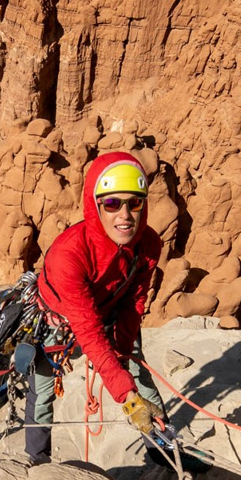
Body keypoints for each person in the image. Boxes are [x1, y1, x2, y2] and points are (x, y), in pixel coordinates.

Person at [24, 151, 167, 463]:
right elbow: (86, 328)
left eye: (134, 202)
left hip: (108, 310)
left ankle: (164, 448)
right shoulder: (69, 255)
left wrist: (124, 353)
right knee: (44, 388)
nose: (125, 214)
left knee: (138, 374)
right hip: (58, 319)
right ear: (96, 205)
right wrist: (126, 397)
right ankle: (37, 459)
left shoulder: (148, 244)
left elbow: (135, 301)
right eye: (112, 204)